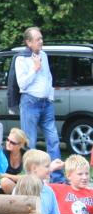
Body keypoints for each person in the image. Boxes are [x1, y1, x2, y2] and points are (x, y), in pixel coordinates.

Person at [14, 27, 63, 182]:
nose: (41, 41)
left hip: (46, 104)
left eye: (41, 38)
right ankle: (31, 180)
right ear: (28, 42)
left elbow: (48, 77)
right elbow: (22, 84)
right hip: (30, 103)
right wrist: (34, 69)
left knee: (53, 140)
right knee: (30, 143)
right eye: (37, 39)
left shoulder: (44, 55)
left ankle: (57, 178)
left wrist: (50, 97)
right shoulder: (21, 59)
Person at [18, 149, 64, 214]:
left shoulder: (49, 191)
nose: (50, 169)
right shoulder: (19, 189)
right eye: (47, 166)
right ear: (34, 168)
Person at [0, 128, 30, 194]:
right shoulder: (2, 152)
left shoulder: (27, 154)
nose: (8, 143)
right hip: (3, 185)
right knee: (5, 182)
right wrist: (16, 178)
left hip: (21, 185)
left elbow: (27, 178)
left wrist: (7, 175)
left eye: (12, 142)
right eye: (7, 140)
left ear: (20, 145)